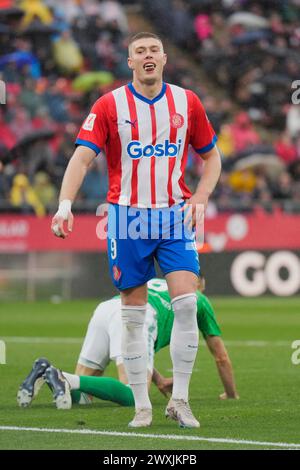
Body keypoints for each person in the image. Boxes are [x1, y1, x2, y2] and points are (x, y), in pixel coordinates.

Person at [51, 32, 221, 428]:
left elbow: (212, 157)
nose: (147, 56)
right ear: (130, 62)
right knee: (133, 315)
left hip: (174, 215)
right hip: (127, 218)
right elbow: (80, 159)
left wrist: (201, 195)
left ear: (164, 58)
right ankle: (143, 404)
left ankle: (179, 399)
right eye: (139, 51)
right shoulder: (109, 105)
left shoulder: (187, 102)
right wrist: (64, 205)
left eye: (153, 50)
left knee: (187, 304)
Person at [18, 278, 238, 418]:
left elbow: (141, 350)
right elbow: (221, 356)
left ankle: (45, 369)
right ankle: (62, 376)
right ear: (199, 283)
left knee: (83, 396)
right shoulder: (196, 298)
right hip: (139, 316)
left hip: (108, 309)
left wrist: (159, 379)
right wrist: (230, 393)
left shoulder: (158, 282)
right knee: (135, 395)